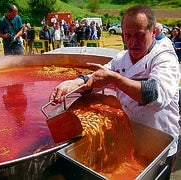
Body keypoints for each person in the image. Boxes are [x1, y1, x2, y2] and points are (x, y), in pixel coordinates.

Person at [49, 5, 180, 179]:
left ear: (153, 32)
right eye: (128, 35)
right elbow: (98, 76)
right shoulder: (121, 58)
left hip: (158, 141)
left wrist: (114, 79)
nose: (133, 42)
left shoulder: (164, 58)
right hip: (127, 135)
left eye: (139, 35)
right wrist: (75, 83)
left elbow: (156, 96)